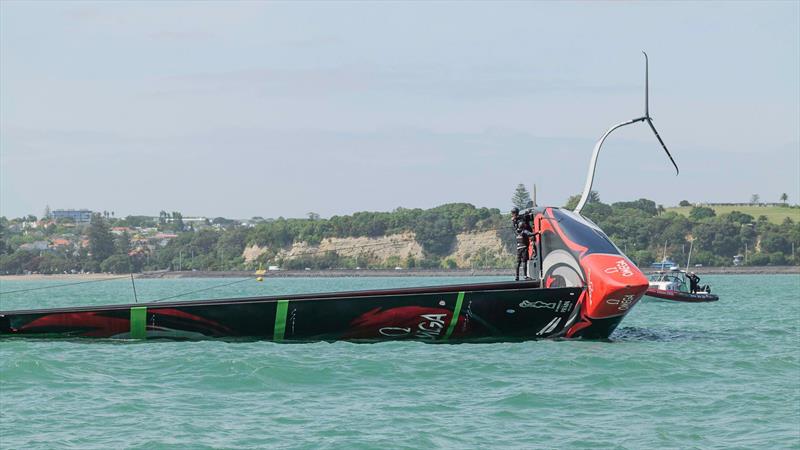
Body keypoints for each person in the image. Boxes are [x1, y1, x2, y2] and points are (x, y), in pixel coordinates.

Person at [511, 207, 538, 281]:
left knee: (519, 261)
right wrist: (538, 232)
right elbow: (517, 229)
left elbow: (528, 216)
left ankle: (517, 276)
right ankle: (524, 276)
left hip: (520, 245)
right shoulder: (516, 222)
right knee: (523, 261)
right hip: (524, 240)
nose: (513, 215)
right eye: (513, 213)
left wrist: (528, 212)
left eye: (514, 213)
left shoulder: (521, 218)